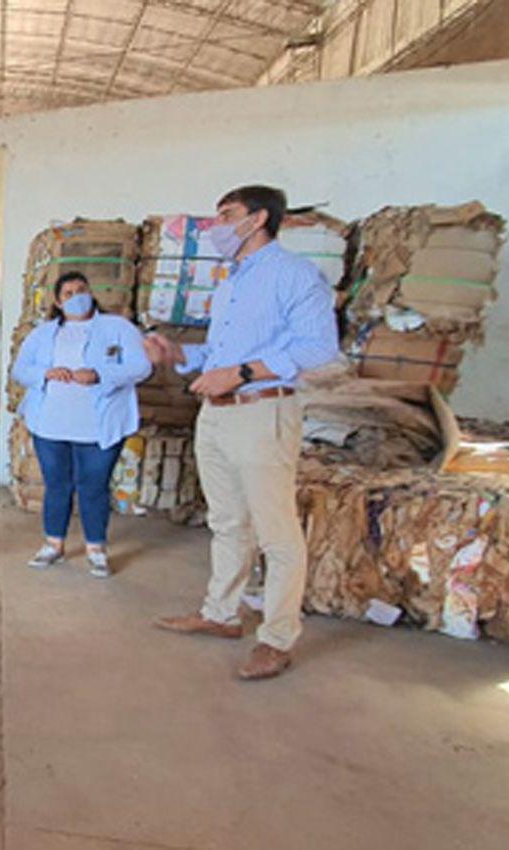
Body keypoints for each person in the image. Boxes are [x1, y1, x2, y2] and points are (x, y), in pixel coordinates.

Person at [144, 185, 338, 681]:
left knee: (277, 534)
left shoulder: (294, 275)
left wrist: (245, 373)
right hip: (217, 415)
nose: (217, 227)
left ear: (257, 220)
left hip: (262, 412)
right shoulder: (230, 281)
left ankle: (276, 638)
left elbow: (318, 349)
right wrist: (178, 354)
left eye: (226, 215)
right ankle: (221, 613)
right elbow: (218, 355)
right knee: (227, 521)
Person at [11, 271, 152, 577]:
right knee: (57, 485)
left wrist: (100, 374)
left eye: (81, 289)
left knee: (93, 486)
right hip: (50, 424)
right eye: (68, 293)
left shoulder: (119, 328)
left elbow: (141, 366)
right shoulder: (43, 333)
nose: (76, 296)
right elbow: (20, 370)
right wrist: (46, 373)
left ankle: (96, 548)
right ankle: (54, 544)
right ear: (58, 302)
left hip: (100, 426)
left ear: (91, 292)